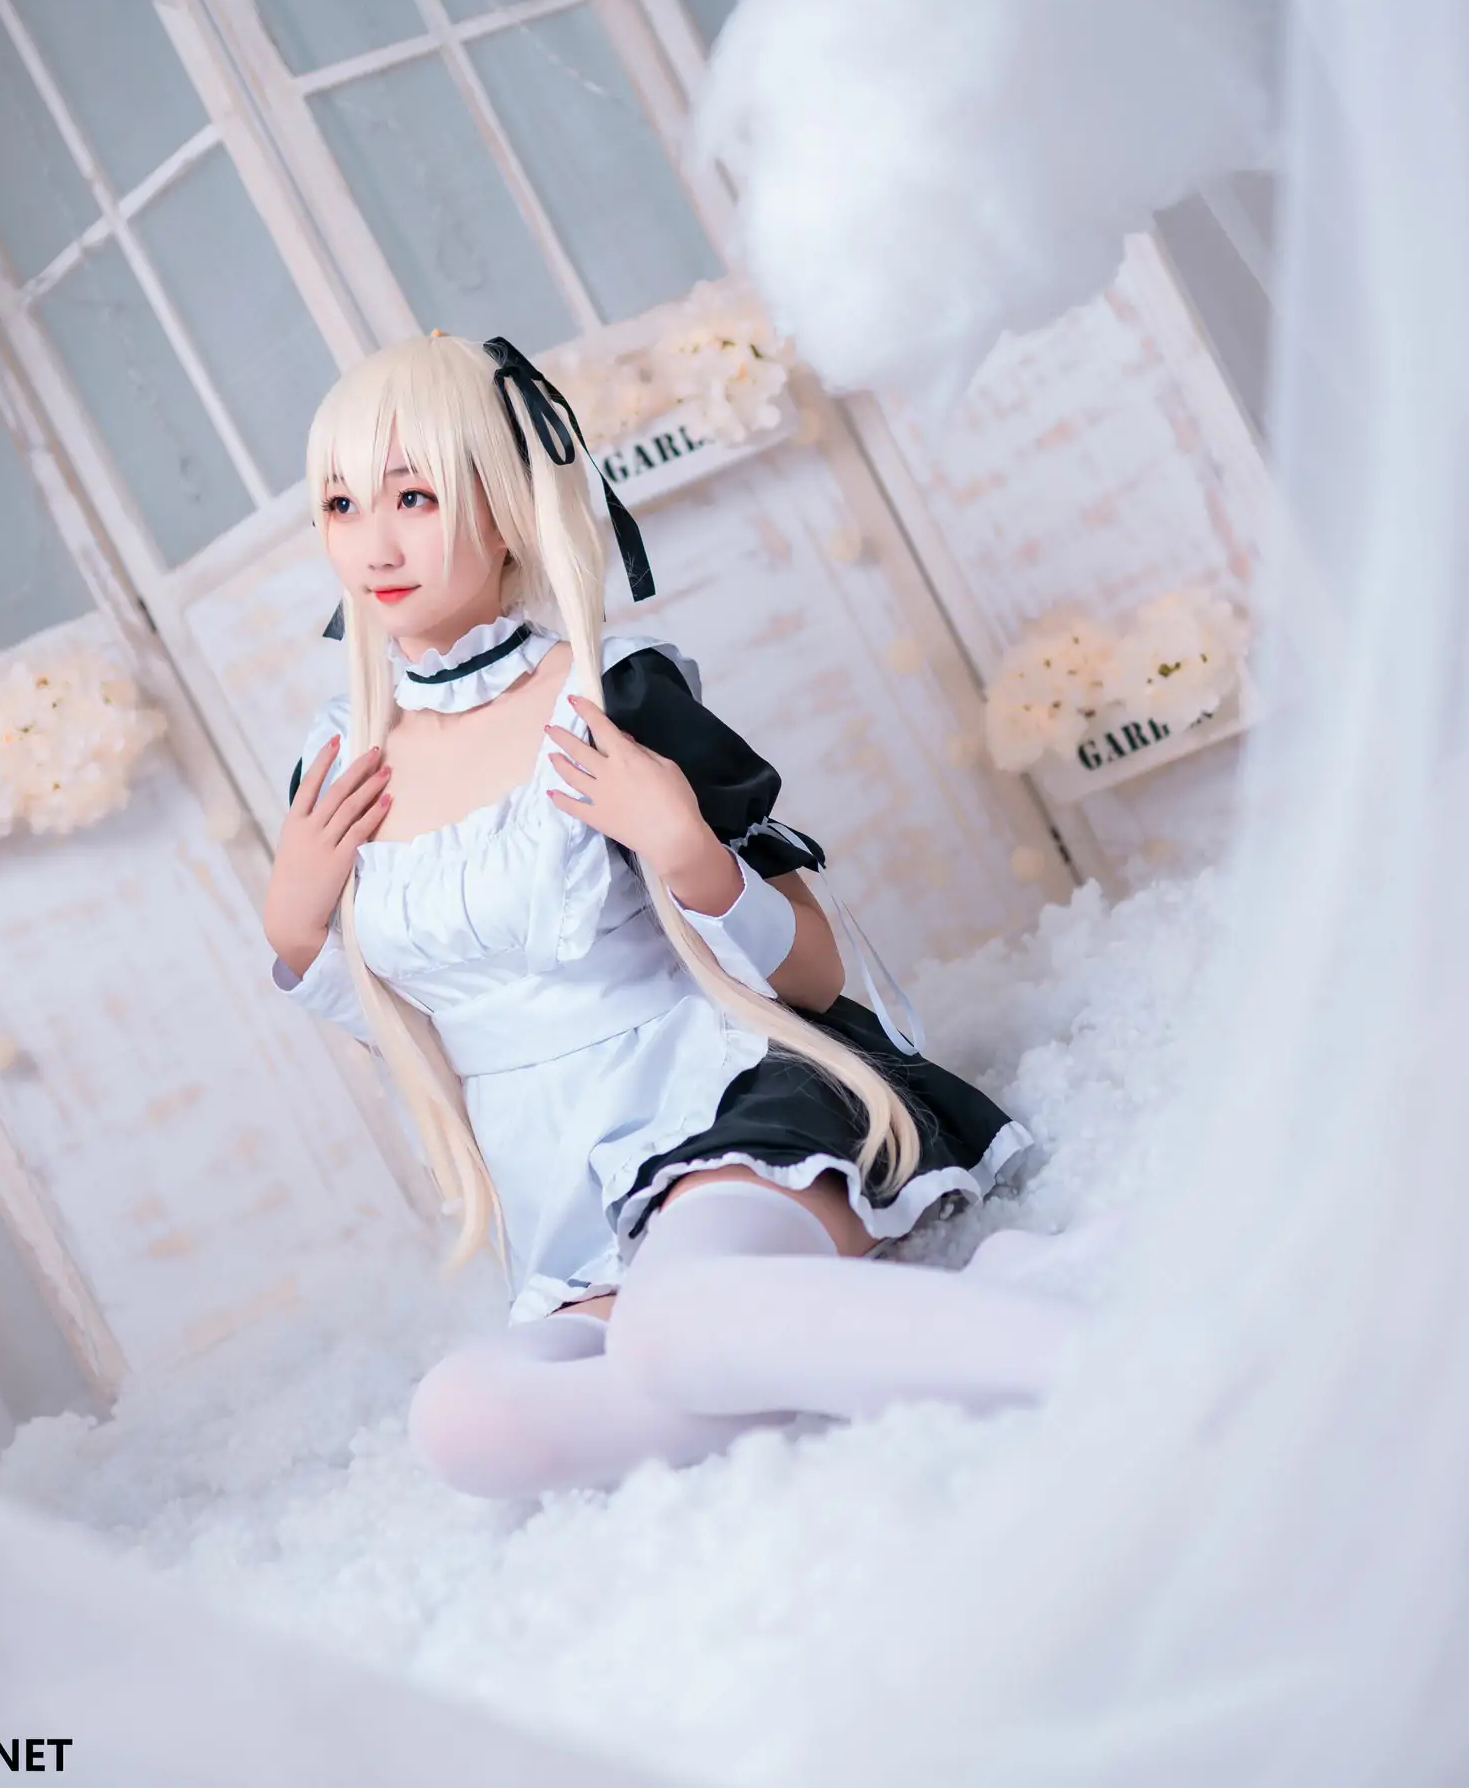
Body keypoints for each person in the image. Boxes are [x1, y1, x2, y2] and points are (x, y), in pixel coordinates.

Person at [261, 333, 1096, 1499]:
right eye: (342, 504)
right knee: (463, 1421)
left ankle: (1106, 1360)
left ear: (504, 509)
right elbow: (418, 1026)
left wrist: (688, 851)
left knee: (677, 1327)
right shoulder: (340, 759)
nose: (375, 544)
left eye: (414, 497)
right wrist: (296, 929)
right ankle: (950, 1320)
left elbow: (811, 976)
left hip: (724, 1107)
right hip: (567, 1205)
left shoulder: (614, 693)